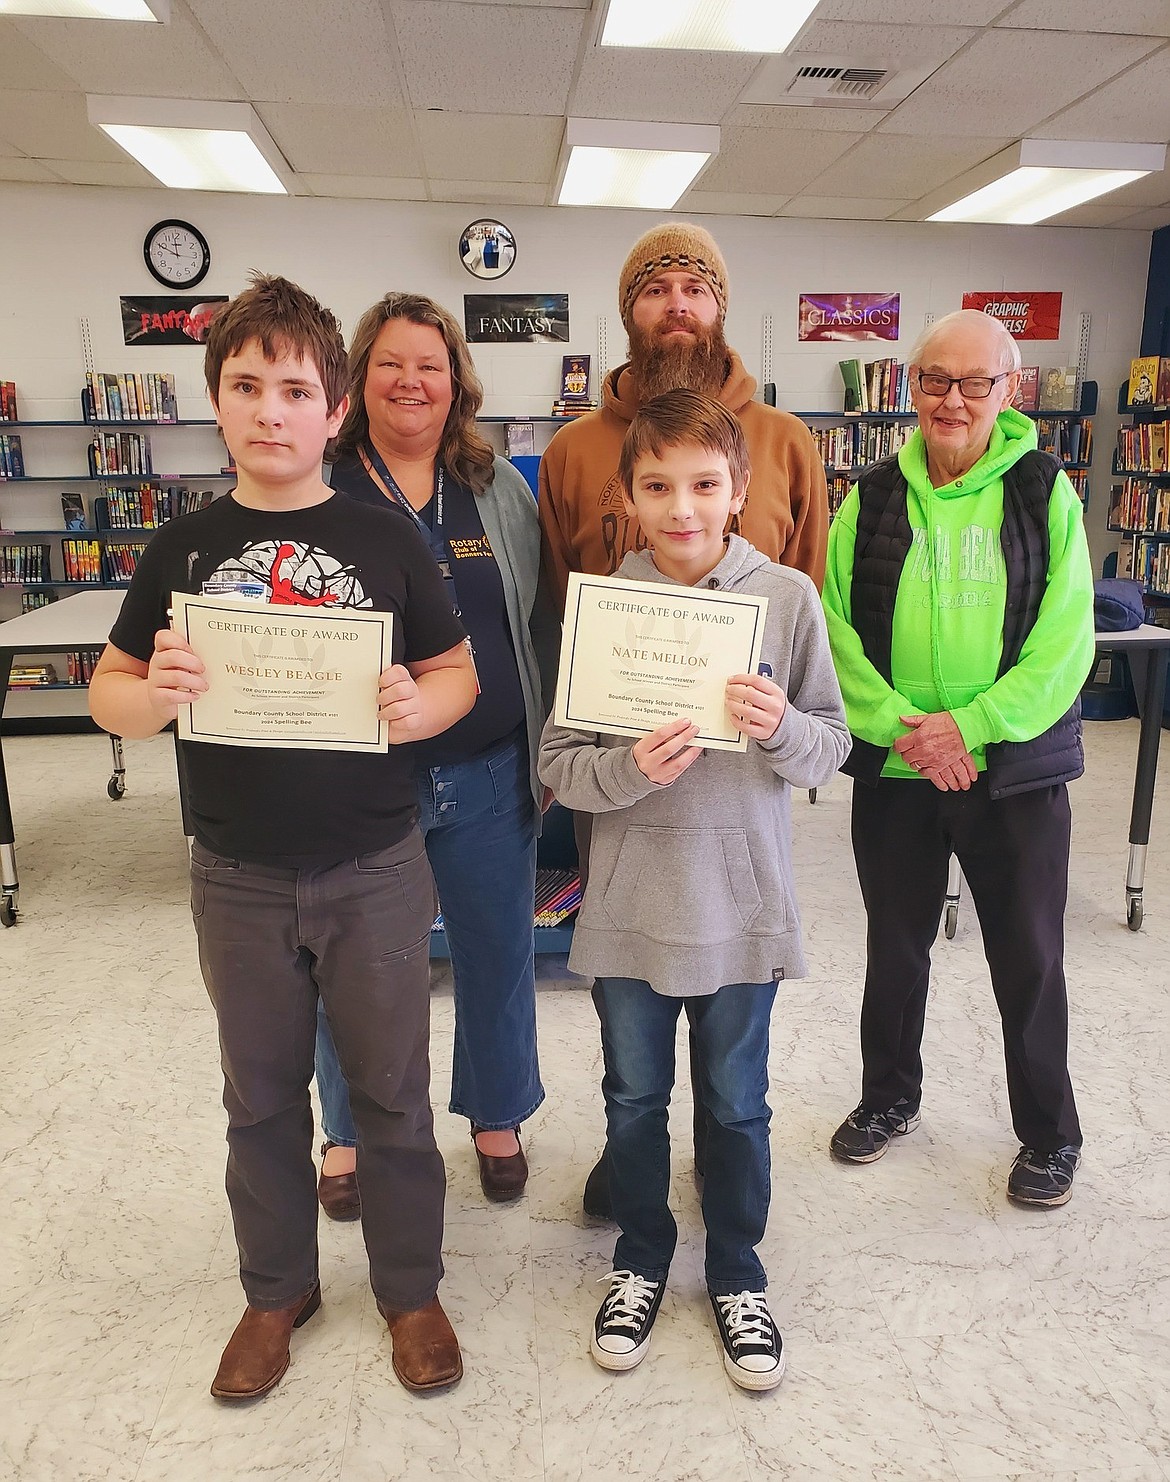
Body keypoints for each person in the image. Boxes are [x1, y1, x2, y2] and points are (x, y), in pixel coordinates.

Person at [88, 275, 476, 1399]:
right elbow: (112, 692)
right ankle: (277, 1289)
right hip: (238, 875)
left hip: (374, 866)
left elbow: (458, 673)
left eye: (294, 388)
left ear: (335, 407)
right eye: (246, 385)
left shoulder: (386, 539)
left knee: (395, 1088)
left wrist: (423, 705)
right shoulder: (183, 547)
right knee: (257, 1094)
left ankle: (409, 1287)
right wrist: (151, 694)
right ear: (216, 401)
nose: (270, 409)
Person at [539, 390, 849, 1389]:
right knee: (632, 1101)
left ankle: (738, 1266)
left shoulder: (789, 601)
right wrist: (632, 766)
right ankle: (640, 1253)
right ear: (627, 493)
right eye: (658, 486)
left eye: (704, 485)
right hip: (632, 902)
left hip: (740, 907)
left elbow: (829, 750)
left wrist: (777, 729)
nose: (682, 509)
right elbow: (561, 764)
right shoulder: (606, 607)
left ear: (740, 489)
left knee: (735, 1104)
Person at [537, 220, 831, 1219]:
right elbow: (557, 612)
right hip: (625, 800)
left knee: (730, 1076)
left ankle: (716, 1161)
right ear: (629, 312)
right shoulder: (576, 449)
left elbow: (810, 631)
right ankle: (636, 1158)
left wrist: (784, 720)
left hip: (739, 820)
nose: (675, 304)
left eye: (693, 287)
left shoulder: (788, 440)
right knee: (633, 1058)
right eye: (654, 288)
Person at [821, 308, 1095, 1208]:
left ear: (1009, 391)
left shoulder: (1044, 491)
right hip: (901, 770)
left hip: (1011, 773)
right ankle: (888, 1099)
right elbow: (834, 630)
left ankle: (1050, 1135)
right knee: (895, 950)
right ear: (910, 387)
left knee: (1028, 956)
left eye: (975, 382)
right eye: (935, 380)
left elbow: (1065, 646)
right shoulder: (870, 493)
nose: (952, 399)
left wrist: (969, 727)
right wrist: (908, 728)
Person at [313, 291, 559, 1214]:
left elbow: (532, 617)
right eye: (389, 362)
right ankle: (345, 1133)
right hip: (357, 784)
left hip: (490, 771)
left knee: (498, 956)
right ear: (356, 379)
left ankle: (497, 1117)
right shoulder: (323, 482)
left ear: (457, 380)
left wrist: (544, 743)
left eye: (430, 364)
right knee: (354, 969)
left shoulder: (496, 486)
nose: (411, 380)